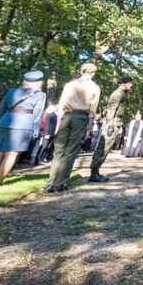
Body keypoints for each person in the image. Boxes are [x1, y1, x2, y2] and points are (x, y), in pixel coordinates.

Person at [43, 62, 101, 193]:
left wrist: (58, 125)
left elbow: (61, 106)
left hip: (66, 117)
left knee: (58, 151)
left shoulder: (70, 85)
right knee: (71, 152)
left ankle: (50, 183)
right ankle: (60, 184)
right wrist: (89, 129)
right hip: (81, 118)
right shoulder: (95, 88)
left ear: (81, 71)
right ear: (93, 74)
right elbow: (92, 110)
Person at [0, 71, 46, 186]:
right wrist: (35, 132)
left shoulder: (11, 91)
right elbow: (37, 115)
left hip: (3, 123)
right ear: (39, 82)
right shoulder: (40, 95)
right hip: (23, 126)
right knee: (11, 154)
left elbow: (1, 110)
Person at [89, 76, 132, 182]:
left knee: (106, 149)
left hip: (115, 122)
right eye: (130, 83)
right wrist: (110, 125)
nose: (131, 85)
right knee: (103, 148)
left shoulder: (123, 93)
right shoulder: (117, 94)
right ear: (124, 83)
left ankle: (96, 172)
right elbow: (111, 110)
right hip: (111, 123)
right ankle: (94, 173)